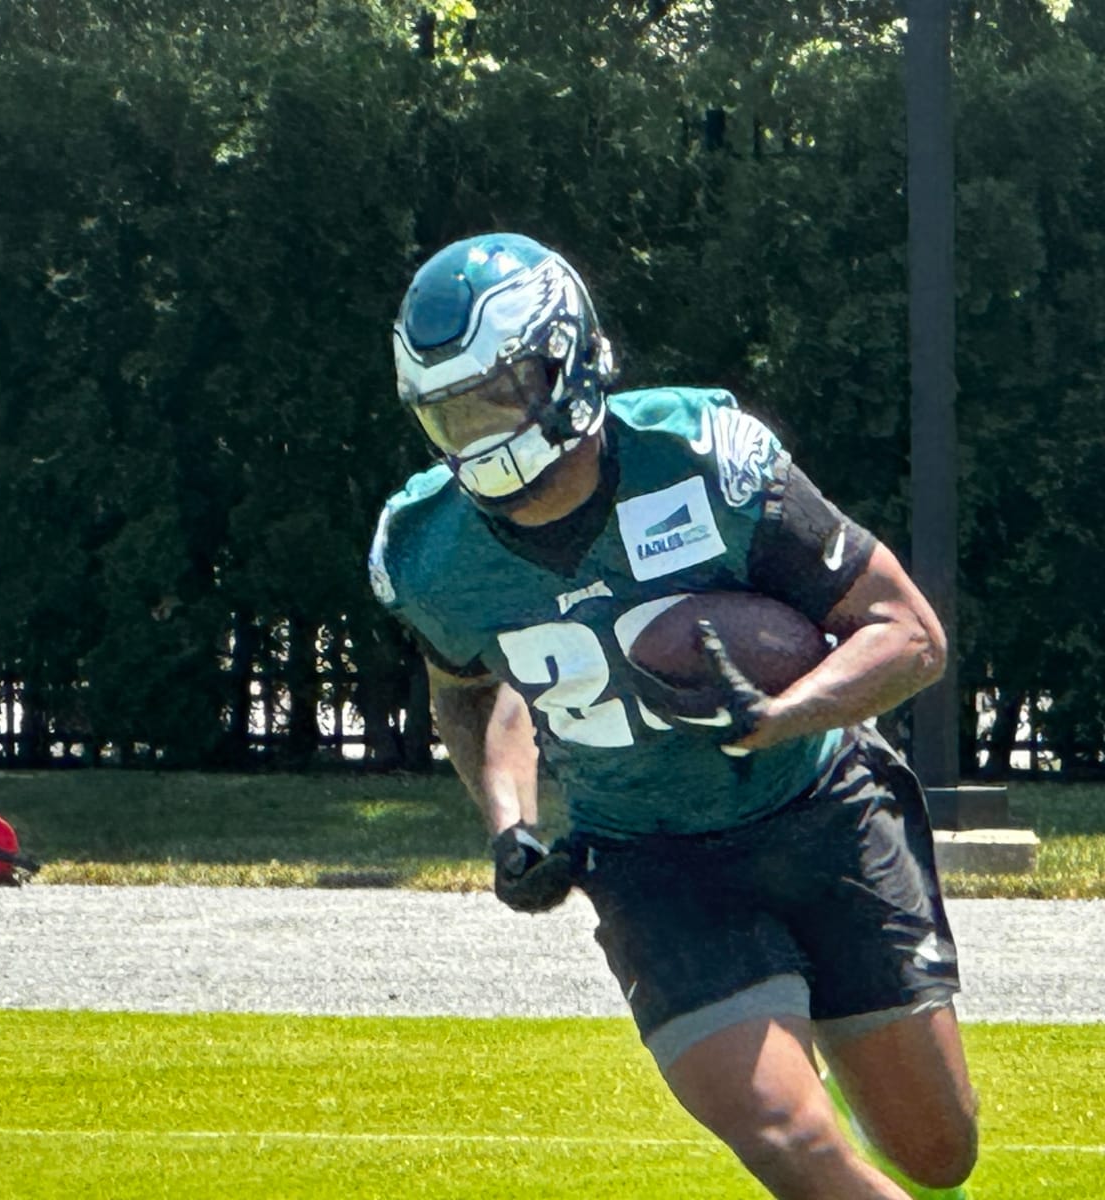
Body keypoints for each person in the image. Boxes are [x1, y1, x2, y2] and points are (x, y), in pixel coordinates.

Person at [368, 232, 978, 1200]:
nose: (476, 433)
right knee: (785, 1131)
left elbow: (910, 633)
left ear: (563, 360)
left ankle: (815, 988)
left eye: (495, 394)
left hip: (819, 806)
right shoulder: (429, 551)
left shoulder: (706, 460)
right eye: (451, 412)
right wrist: (511, 823)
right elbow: (478, 686)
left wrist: (785, 710)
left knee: (940, 1151)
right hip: (652, 861)